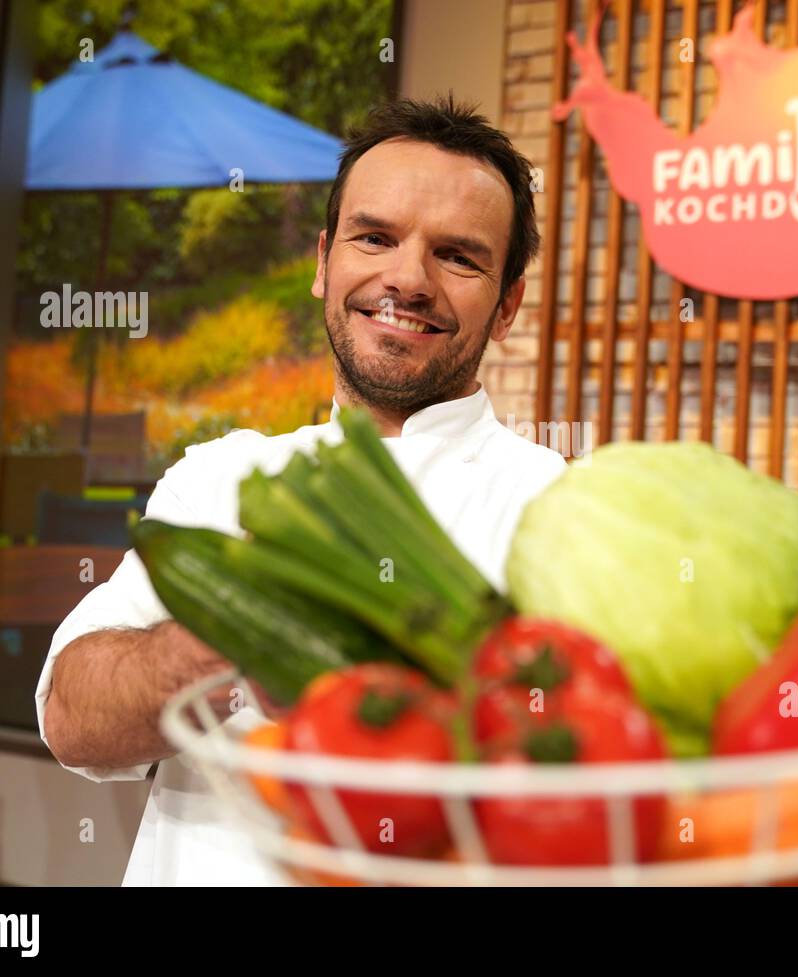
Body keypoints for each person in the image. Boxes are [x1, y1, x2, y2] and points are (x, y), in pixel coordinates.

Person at [37, 94, 569, 885]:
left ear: (509, 304)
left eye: (458, 255)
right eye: (374, 237)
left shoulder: (560, 510)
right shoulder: (218, 477)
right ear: (325, 261)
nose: (407, 278)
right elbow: (71, 720)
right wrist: (243, 623)